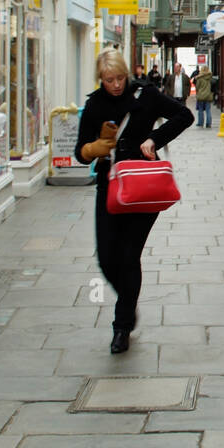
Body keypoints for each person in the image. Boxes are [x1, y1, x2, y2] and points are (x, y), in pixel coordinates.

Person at [76, 48, 192, 354]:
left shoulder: (146, 95)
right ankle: (128, 299)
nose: (115, 84)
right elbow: (79, 150)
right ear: (100, 79)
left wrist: (155, 138)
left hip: (143, 188)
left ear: (127, 74)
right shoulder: (94, 104)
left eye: (119, 78)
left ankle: (122, 326)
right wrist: (94, 148)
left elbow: (185, 115)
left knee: (128, 256)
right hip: (110, 187)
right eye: (108, 79)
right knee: (107, 258)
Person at [192, 64, 214, 128]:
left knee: (200, 110)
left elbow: (197, 87)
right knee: (208, 110)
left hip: (201, 95)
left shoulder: (199, 78)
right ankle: (208, 123)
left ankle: (200, 123)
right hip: (208, 95)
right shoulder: (210, 77)